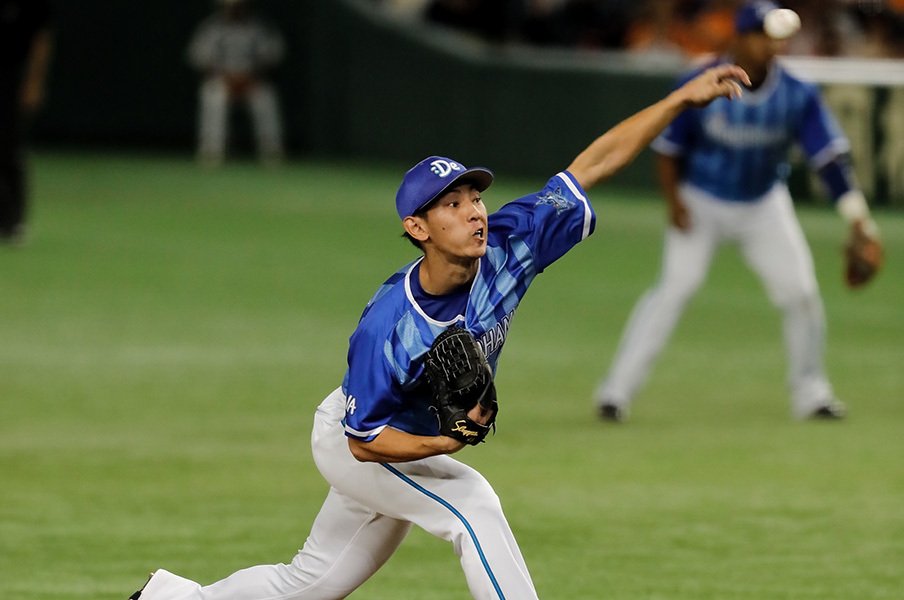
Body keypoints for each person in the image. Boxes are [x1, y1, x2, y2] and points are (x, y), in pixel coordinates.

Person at [128, 63, 748, 599]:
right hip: (363, 437)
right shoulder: (389, 325)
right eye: (452, 204)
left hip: (396, 436)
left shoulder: (508, 245)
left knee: (311, 585)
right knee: (473, 506)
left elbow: (591, 167)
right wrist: (447, 444)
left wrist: (677, 102)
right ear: (418, 227)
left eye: (474, 196)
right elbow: (365, 442)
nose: (475, 210)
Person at [593, 0, 883, 424]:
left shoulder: (796, 94)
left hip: (763, 203)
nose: (773, 45)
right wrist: (674, 202)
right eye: (764, 36)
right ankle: (615, 392)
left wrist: (860, 219)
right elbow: (668, 149)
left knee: (800, 292)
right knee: (675, 288)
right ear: (741, 37)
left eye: (778, 38)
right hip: (701, 200)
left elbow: (828, 160)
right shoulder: (700, 82)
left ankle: (812, 394)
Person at [187, 0, 285, 167]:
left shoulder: (258, 28)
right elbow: (199, 57)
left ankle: (272, 154)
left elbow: (272, 56)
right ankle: (211, 153)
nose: (234, 9)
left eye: (238, 6)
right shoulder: (211, 28)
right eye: (230, 6)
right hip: (221, 80)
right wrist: (226, 77)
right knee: (213, 96)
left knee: (265, 98)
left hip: (251, 81)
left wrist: (249, 77)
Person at [0, 0, 53, 245]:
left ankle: (15, 221)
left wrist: (34, 82)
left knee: (10, 146)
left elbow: (42, 37)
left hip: (13, 73)